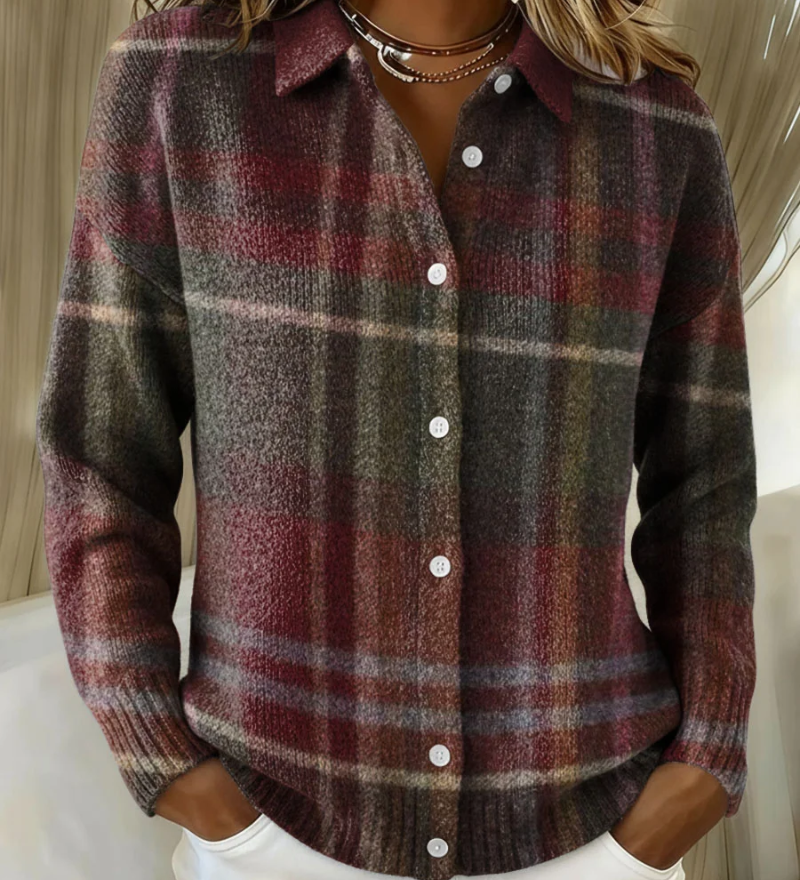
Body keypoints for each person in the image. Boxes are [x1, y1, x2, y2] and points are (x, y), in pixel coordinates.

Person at [35, 0, 757, 878]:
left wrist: (702, 762)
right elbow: (99, 456)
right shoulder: (182, 80)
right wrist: (170, 763)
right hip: (274, 836)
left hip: (595, 838)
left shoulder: (654, 128)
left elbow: (706, 484)